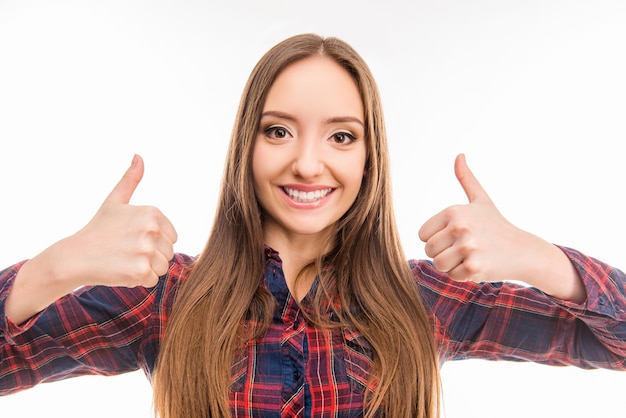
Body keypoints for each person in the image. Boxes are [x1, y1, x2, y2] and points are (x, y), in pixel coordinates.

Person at [0, 33, 624, 418]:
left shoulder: (423, 300)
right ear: (247, 147)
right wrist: (58, 266)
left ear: (368, 157)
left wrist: (541, 260)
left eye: (341, 136)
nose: (306, 161)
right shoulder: (166, 300)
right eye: (278, 131)